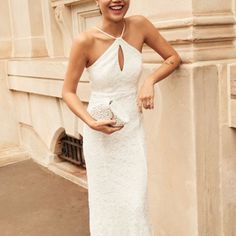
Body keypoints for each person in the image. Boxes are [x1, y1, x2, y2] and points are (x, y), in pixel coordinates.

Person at [62, 0, 182, 235]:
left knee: (136, 203)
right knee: (107, 205)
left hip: (132, 130)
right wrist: (90, 121)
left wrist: (149, 80)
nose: (117, 0)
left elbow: (173, 58)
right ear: (97, 1)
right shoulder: (85, 41)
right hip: (100, 132)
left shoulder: (140, 26)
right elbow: (67, 91)